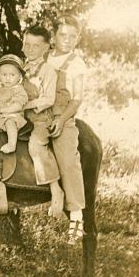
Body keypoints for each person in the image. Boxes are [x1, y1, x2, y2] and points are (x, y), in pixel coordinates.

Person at [47, 13, 86, 243]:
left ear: (77, 39)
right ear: (53, 36)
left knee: (68, 159)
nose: (67, 40)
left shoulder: (76, 63)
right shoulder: (45, 57)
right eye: (62, 35)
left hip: (63, 116)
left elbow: (77, 98)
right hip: (38, 114)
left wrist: (61, 120)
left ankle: (76, 213)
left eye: (72, 36)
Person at [22, 25, 64, 217]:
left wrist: (26, 105)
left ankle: (55, 190)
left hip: (40, 118)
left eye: (36, 46)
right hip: (19, 117)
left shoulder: (48, 70)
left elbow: (48, 99)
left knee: (36, 146)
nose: (30, 49)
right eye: (27, 45)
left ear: (46, 47)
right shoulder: (19, 68)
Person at [0, 54, 29, 154]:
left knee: (9, 121)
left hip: (13, 115)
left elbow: (18, 105)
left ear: (19, 76)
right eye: (4, 75)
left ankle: (11, 145)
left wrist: (1, 110)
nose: (8, 78)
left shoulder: (18, 89)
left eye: (12, 75)